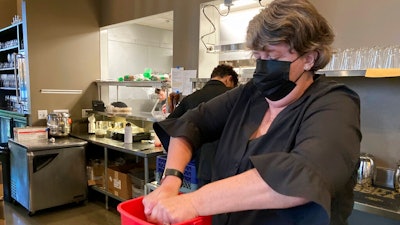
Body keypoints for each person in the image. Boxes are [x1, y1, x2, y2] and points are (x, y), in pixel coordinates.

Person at [143, 0, 361, 225]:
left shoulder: (335, 103)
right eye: (258, 57)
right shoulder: (251, 94)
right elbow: (190, 124)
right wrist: (171, 181)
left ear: (309, 58)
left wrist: (192, 202)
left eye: (273, 58)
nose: (263, 66)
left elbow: (303, 175)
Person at [167, 64, 239, 187]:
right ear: (229, 79)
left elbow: (171, 124)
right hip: (231, 166)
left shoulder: (191, 97)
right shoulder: (235, 96)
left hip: (202, 165)